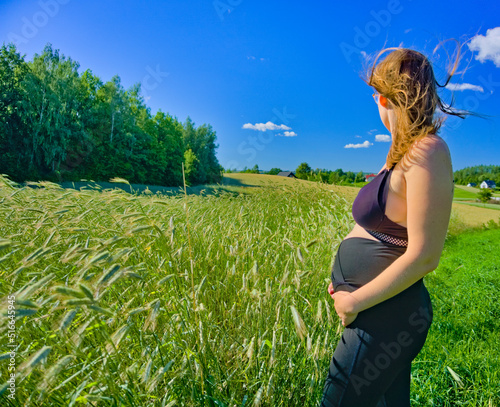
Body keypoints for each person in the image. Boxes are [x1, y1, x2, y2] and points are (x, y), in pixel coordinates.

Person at [320, 47, 469, 406]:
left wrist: (354, 298)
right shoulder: (401, 155)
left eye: (376, 95)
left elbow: (424, 256)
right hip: (380, 312)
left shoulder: (427, 151)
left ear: (385, 98)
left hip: (386, 317)